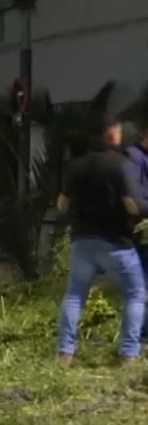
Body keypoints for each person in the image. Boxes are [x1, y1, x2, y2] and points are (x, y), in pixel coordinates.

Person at [57, 83, 148, 367]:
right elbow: (133, 206)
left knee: (74, 297)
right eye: (119, 129)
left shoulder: (76, 165)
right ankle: (129, 354)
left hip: (82, 242)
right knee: (136, 294)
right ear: (110, 134)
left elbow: (61, 205)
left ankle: (64, 354)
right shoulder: (120, 165)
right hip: (115, 244)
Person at [126, 127, 148, 339]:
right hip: (142, 230)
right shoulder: (135, 156)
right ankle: (142, 330)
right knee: (143, 283)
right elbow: (135, 195)